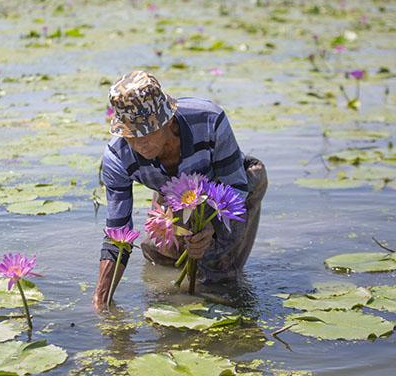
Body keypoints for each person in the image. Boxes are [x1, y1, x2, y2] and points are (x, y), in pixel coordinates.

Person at [93, 70, 267, 310]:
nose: (139, 143)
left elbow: (235, 185)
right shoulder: (117, 157)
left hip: (227, 190)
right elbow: (117, 236)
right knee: (161, 256)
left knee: (216, 272)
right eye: (131, 135)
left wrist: (210, 226)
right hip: (174, 191)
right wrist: (103, 299)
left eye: (147, 132)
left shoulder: (209, 120)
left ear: (169, 121)